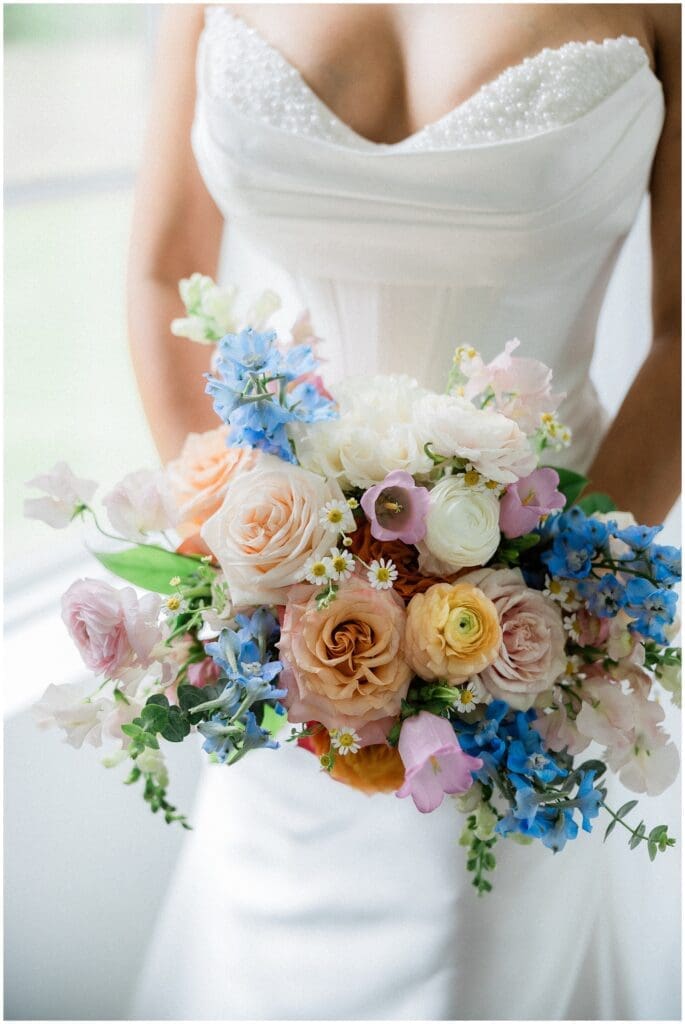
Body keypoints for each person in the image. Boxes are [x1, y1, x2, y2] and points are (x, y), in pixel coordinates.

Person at [128, 5, 681, 1019]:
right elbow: (163, 269)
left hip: (525, 661)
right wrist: (235, 549)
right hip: (286, 640)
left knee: (475, 968)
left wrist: (558, 612)